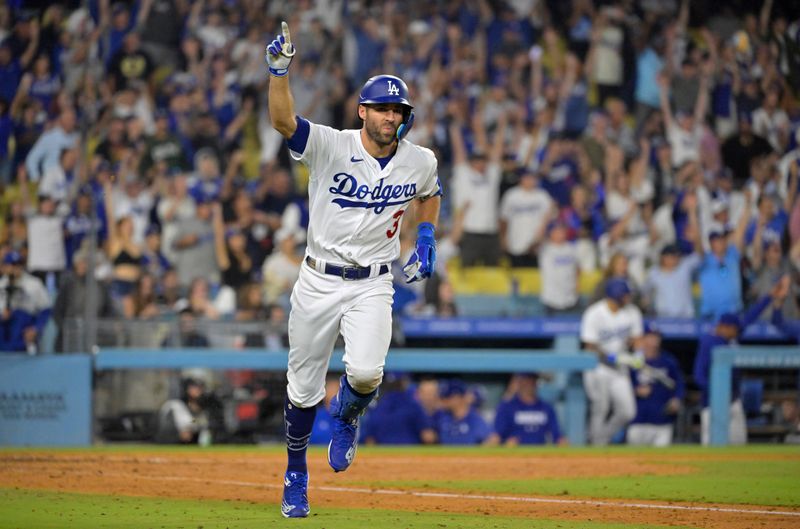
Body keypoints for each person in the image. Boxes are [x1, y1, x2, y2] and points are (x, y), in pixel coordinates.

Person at [266, 23, 441, 518]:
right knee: (301, 389)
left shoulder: (419, 160)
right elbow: (283, 122)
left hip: (373, 282)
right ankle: (296, 474)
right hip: (318, 278)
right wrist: (279, 74)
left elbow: (431, 194)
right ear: (362, 110)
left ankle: (347, 414)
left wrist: (426, 237)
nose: (392, 117)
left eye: (399, 111)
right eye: (383, 108)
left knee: (366, 373)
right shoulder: (330, 144)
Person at [693, 276, 789, 445]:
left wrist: (770, 296)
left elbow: (750, 316)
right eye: (734, 329)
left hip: (733, 401)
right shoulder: (708, 341)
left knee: (738, 444)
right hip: (712, 402)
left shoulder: (732, 336)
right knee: (712, 446)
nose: (738, 332)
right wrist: (715, 392)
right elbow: (698, 374)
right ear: (724, 327)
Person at [579, 278, 644, 445]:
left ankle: (600, 438)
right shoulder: (594, 313)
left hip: (619, 368)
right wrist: (612, 357)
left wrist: (638, 355)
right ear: (615, 295)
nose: (628, 298)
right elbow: (589, 345)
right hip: (598, 366)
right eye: (625, 295)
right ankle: (596, 444)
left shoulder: (632, 312)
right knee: (600, 406)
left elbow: (637, 339)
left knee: (628, 411)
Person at [626, 323, 685, 447]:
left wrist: (677, 399)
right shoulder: (633, 362)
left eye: (656, 337)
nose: (654, 340)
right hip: (638, 420)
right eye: (650, 336)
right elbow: (623, 387)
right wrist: (635, 390)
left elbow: (679, 384)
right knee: (635, 461)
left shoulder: (668, 361)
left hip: (663, 420)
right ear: (642, 338)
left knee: (662, 462)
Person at [487, 373, 565, 446]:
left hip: (540, 452)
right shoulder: (506, 407)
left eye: (532, 380)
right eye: (526, 380)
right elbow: (497, 436)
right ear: (518, 382)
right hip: (514, 453)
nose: (529, 384)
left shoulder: (546, 407)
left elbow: (557, 435)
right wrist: (505, 443)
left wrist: (561, 441)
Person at [360, 372, 436, 445]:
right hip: (410, 453)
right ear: (404, 382)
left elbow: (370, 440)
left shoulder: (378, 405)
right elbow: (427, 437)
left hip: (384, 454)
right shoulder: (412, 405)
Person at [433, 379, 491, 445]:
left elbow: (491, 439)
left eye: (447, 398)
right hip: (446, 454)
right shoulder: (442, 417)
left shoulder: (474, 418)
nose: (444, 401)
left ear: (457, 398)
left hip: (468, 454)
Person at [154, 377, 211, 444]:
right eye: (194, 387)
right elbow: (163, 432)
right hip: (172, 447)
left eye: (200, 387)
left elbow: (195, 422)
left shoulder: (205, 410)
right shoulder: (175, 406)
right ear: (186, 389)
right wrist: (178, 435)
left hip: (195, 447)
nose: (198, 390)